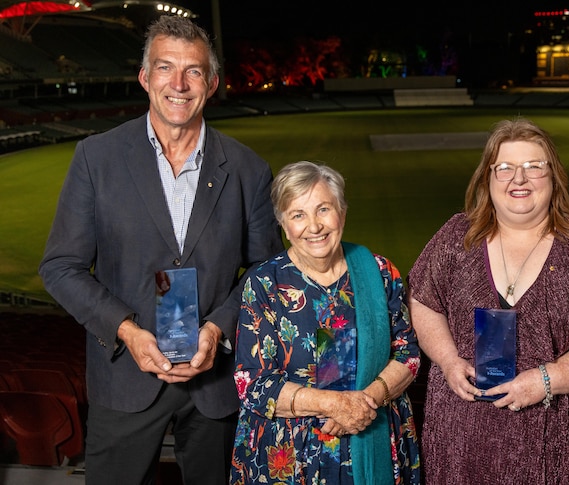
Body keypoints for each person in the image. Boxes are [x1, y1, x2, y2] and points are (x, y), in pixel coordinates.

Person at [38, 15, 283, 485]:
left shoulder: (249, 170)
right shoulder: (96, 157)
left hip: (214, 384)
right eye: (165, 67)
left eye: (193, 71)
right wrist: (127, 331)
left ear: (211, 83)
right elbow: (61, 267)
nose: (178, 83)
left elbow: (266, 272)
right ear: (144, 77)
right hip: (124, 379)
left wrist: (217, 329)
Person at [408, 118, 569, 484]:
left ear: (554, 178)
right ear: (488, 178)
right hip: (463, 434)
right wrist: (448, 359)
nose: (519, 179)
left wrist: (547, 380)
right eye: (505, 168)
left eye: (534, 167)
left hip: (554, 437)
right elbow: (424, 303)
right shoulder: (457, 236)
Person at [230, 161, 421, 484]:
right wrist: (336, 405)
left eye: (323, 209)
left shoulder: (380, 272)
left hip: (371, 434)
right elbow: (252, 383)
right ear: (283, 224)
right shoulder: (265, 283)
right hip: (289, 460)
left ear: (342, 213)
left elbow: (408, 354)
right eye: (298, 215)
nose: (314, 226)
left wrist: (366, 401)